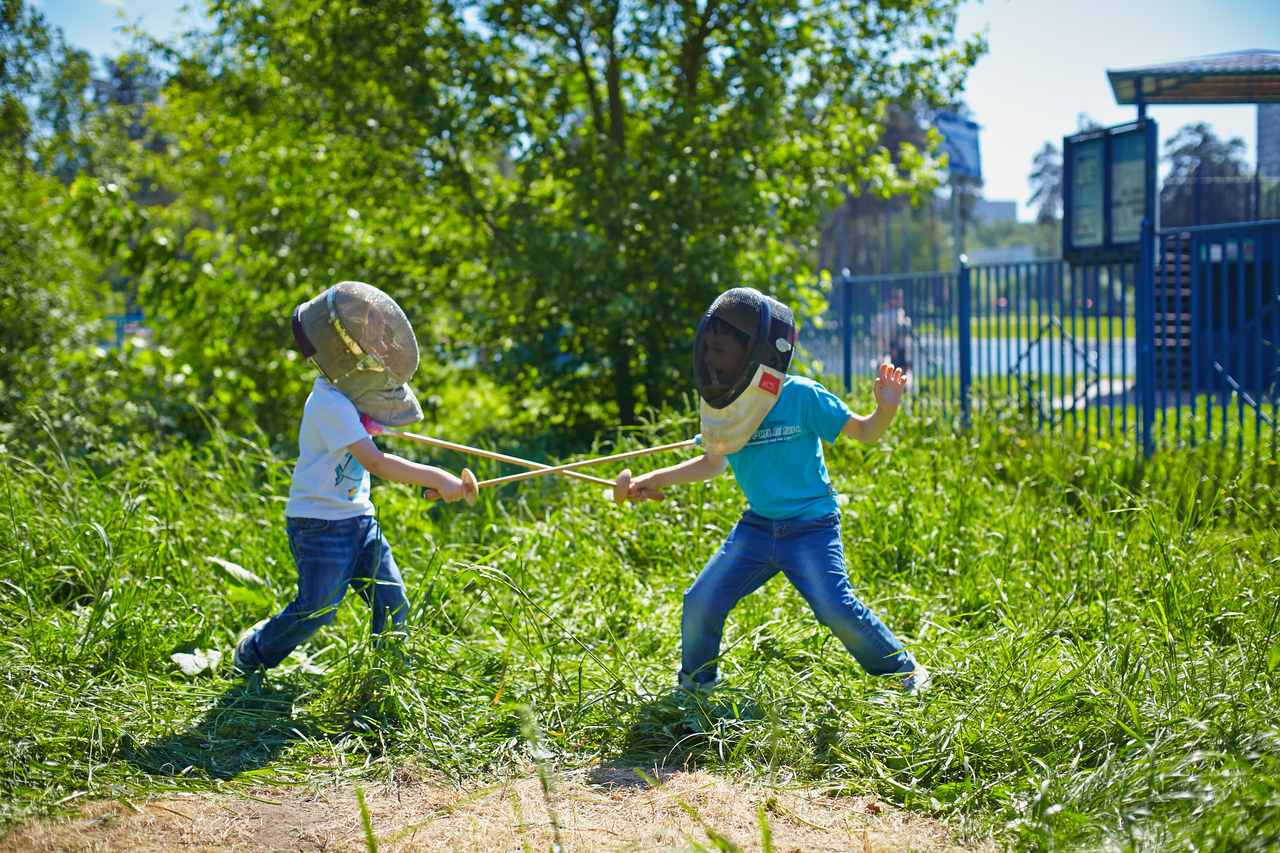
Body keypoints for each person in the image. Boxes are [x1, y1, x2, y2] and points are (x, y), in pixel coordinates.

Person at [622, 287, 928, 694]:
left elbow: (865, 432)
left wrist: (885, 409)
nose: (711, 360)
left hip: (811, 526)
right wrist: (651, 481)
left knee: (836, 608)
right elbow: (712, 463)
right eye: (708, 350)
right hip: (757, 527)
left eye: (721, 352)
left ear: (755, 352)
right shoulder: (725, 404)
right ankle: (696, 686)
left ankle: (904, 670)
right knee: (701, 601)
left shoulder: (802, 395)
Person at [233, 281, 476, 674]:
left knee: (392, 602)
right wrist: (437, 477)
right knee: (317, 610)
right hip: (319, 525)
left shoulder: (351, 395)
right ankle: (255, 650)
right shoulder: (328, 403)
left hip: (359, 520)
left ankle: (385, 676)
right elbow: (375, 463)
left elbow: (375, 436)